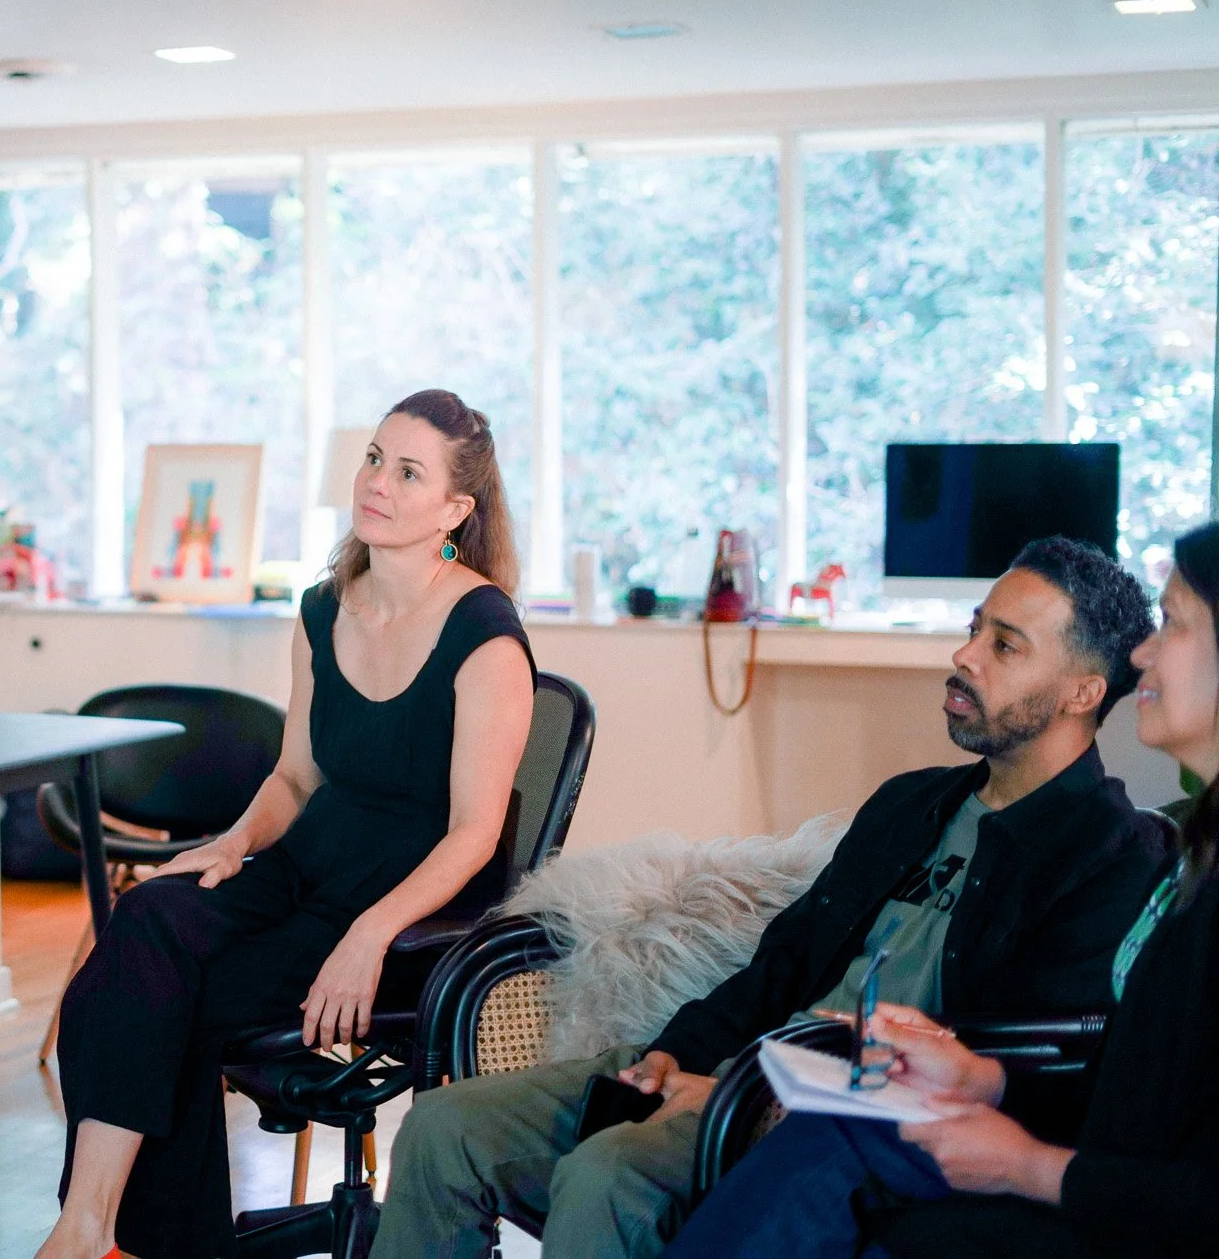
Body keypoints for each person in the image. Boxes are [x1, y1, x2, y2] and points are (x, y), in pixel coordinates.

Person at [371, 537, 1170, 1259]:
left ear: (1080, 692)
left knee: (608, 1173)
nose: (964, 656)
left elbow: (1009, 1067)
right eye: (973, 627)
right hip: (736, 1064)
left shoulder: (1108, 857)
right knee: (443, 1128)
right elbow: (783, 957)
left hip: (821, 1111)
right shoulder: (909, 805)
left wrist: (740, 1086)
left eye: (1005, 645)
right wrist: (677, 1053)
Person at [35, 389, 538, 1259]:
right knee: (148, 919)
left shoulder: (485, 633)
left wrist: (372, 933)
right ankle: (87, 1229)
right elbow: (296, 775)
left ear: (456, 508)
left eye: (408, 470)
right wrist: (231, 842)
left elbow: (475, 832)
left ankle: (118, 1238)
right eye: (375, 457)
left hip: (407, 915)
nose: (377, 481)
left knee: (152, 1000)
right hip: (303, 869)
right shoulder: (323, 609)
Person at [665, 522, 1219, 1259]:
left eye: (1175, 622)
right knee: (846, 1137)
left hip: (1110, 1214)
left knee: (843, 1155)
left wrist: (1034, 1166)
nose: (1143, 652)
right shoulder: (1200, 848)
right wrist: (986, 1080)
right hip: (1085, 1175)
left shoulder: (1123, 852)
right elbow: (1133, 1078)